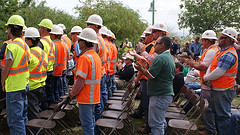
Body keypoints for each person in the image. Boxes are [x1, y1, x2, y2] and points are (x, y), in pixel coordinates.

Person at [135, 36, 175, 135]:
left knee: (156, 124)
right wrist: (146, 66)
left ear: (162, 45)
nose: (154, 45)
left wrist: (141, 69)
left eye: (156, 43)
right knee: (160, 121)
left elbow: (151, 75)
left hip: (159, 95)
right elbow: (156, 72)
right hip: (163, 94)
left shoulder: (160, 58)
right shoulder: (168, 56)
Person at [203, 27, 239, 135]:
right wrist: (208, 76)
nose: (218, 39)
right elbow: (212, 66)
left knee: (223, 117)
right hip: (219, 88)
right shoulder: (222, 52)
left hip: (224, 89)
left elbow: (219, 71)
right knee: (218, 115)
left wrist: (206, 78)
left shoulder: (228, 54)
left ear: (228, 39)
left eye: (221, 37)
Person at [68, 28, 101, 135]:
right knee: (90, 122)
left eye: (79, 40)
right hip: (93, 96)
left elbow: (80, 81)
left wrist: (72, 93)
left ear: (83, 42)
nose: (78, 43)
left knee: (87, 125)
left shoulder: (84, 58)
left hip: (85, 97)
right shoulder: (95, 56)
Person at [185, 30, 219, 135]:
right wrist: (194, 64)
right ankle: (207, 126)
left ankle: (210, 130)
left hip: (208, 84)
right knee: (206, 107)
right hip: (207, 83)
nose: (201, 42)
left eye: (203, 40)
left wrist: (193, 64)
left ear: (208, 41)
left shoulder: (211, 51)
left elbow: (204, 66)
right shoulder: (210, 50)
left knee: (207, 107)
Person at [2, 15, 30, 135]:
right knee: (22, 117)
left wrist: (2, 82)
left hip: (14, 88)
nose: (6, 31)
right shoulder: (25, 45)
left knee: (14, 120)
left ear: (12, 29)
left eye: (8, 28)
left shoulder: (11, 46)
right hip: (24, 85)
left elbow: (6, 69)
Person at [24, 27, 48, 133]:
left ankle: (37, 131)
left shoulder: (29, 53)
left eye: (25, 40)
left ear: (29, 41)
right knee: (36, 109)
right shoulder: (43, 52)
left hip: (32, 87)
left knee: (33, 113)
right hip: (41, 85)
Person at [38, 18, 56, 110]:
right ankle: (51, 111)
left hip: (44, 72)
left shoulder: (41, 43)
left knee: (43, 95)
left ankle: (45, 113)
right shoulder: (51, 42)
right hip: (51, 70)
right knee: (50, 93)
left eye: (40, 28)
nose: (39, 30)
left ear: (44, 29)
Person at [50, 25, 67, 102]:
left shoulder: (53, 44)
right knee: (57, 89)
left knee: (52, 90)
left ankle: (53, 106)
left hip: (54, 71)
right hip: (61, 70)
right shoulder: (63, 44)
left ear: (53, 35)